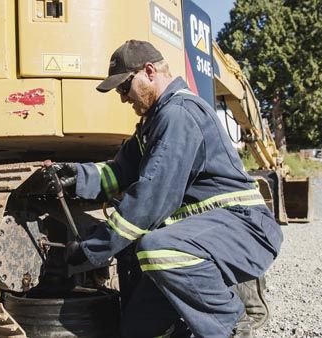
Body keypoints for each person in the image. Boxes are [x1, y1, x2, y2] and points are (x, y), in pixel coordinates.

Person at [48, 40, 283, 337]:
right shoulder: (153, 122)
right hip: (198, 234)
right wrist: (75, 176)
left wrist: (90, 250)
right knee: (137, 330)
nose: (123, 98)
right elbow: (118, 172)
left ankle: (232, 325)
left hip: (243, 227)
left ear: (148, 71)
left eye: (124, 87)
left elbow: (148, 203)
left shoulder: (179, 114)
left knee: (156, 248)